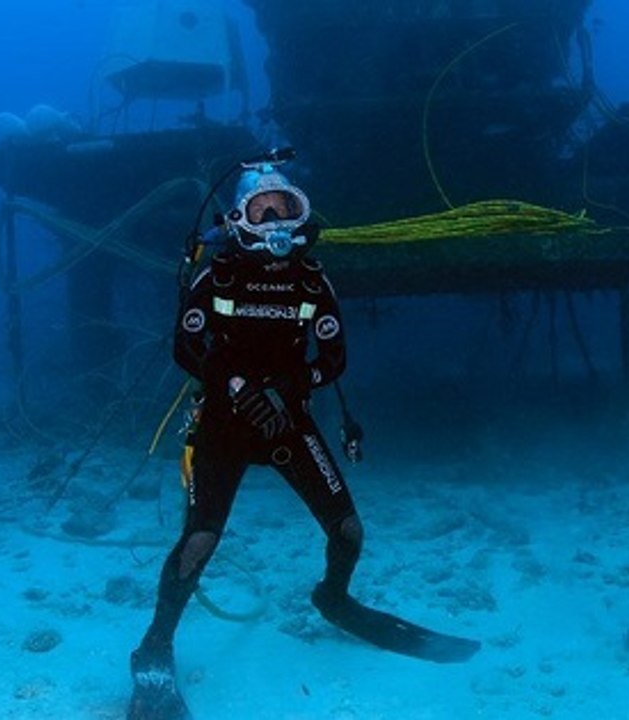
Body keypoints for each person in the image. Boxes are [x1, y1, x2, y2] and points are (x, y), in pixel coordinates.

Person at [127, 161, 478, 720]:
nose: (276, 220)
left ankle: (333, 597)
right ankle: (154, 647)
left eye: (285, 207)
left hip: (286, 418)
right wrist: (237, 386)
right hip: (224, 422)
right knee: (200, 541)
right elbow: (185, 347)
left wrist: (296, 384)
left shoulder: (311, 280)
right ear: (238, 219)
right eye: (262, 209)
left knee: (349, 530)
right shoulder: (216, 277)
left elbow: (334, 357)